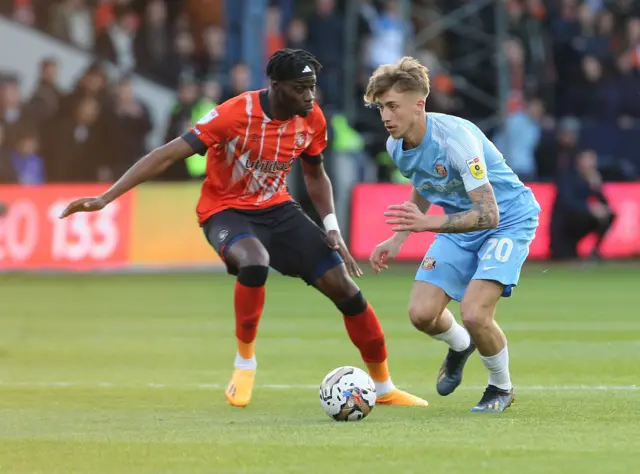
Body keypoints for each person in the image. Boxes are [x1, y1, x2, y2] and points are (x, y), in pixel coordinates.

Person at [58, 49, 428, 409]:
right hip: (225, 210)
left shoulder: (312, 117)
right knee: (254, 260)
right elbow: (167, 154)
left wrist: (331, 226)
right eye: (301, 88)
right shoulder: (235, 113)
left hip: (278, 210)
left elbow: (315, 173)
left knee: (346, 290)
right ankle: (245, 363)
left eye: (312, 86)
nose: (310, 95)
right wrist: (107, 198)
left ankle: (384, 387)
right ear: (277, 86)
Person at [367, 57, 541, 413]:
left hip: (507, 220)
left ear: (420, 104)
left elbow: (489, 214)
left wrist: (425, 224)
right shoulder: (395, 145)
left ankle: (500, 388)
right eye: (381, 107)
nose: (386, 116)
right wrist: (398, 238)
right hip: (461, 225)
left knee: (476, 313)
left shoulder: (457, 142)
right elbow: (423, 181)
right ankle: (461, 345)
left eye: (393, 106)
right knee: (421, 314)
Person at [550, 150, 615, 261]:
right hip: (563, 229)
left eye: (593, 160)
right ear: (579, 161)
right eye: (588, 160)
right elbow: (568, 202)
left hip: (578, 226)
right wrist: (590, 209)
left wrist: (597, 188)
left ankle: (595, 251)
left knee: (608, 215)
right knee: (565, 259)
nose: (591, 164)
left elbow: (604, 205)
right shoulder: (567, 177)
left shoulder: (591, 179)